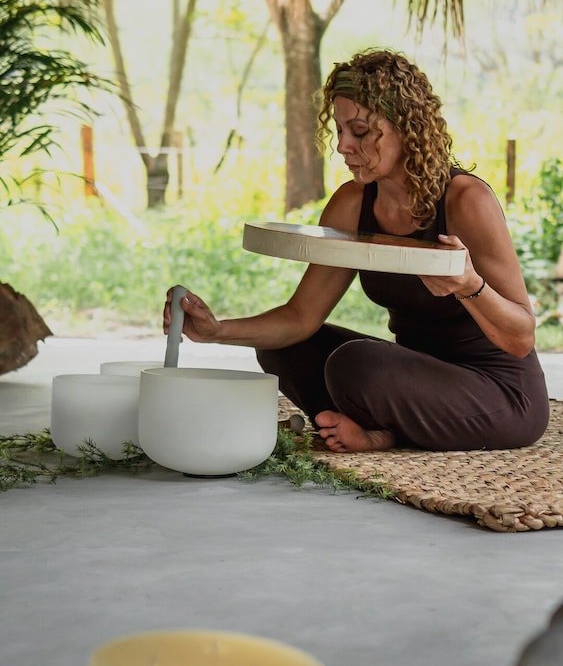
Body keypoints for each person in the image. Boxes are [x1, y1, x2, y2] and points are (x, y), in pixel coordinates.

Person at [163, 48, 549, 453]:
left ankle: (384, 433)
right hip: (416, 381)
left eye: (360, 131)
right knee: (286, 347)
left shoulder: (466, 200)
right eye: (340, 130)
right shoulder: (352, 203)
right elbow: (301, 318)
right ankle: (369, 425)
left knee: (356, 364)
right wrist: (216, 331)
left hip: (500, 395)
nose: (343, 146)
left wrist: (469, 286)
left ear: (408, 128)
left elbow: (520, 338)